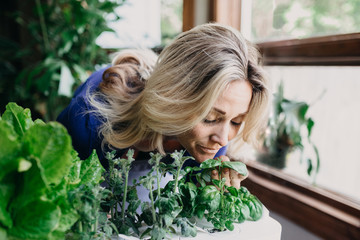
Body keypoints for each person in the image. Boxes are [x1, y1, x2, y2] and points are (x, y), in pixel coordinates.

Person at [57, 23, 270, 190]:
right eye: (210, 118)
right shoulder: (88, 121)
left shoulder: (211, 142)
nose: (223, 139)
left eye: (236, 121)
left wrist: (209, 190)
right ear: (175, 100)